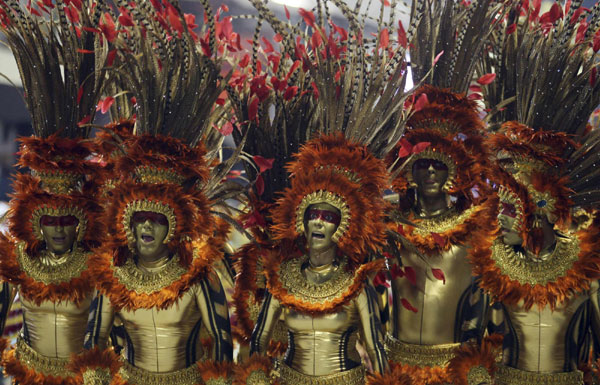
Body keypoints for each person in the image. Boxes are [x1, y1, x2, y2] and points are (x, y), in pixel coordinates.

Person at [0, 1, 107, 383]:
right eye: (51, 222)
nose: (59, 230)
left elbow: (108, 332)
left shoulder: (99, 264)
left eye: (66, 222)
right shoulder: (14, 260)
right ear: (35, 223)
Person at [249, 134, 390, 385]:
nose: (318, 221)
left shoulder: (356, 285)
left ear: (343, 227)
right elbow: (259, 338)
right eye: (313, 214)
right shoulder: (282, 277)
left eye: (328, 216)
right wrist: (256, 375)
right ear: (301, 220)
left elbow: (375, 348)